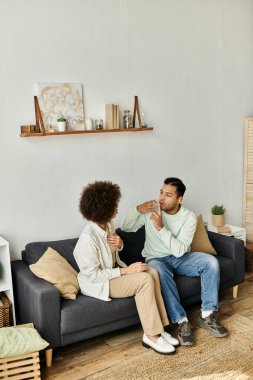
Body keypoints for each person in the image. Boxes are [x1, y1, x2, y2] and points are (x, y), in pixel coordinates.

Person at [73, 180, 179, 355]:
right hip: (99, 283)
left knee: (151, 271)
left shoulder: (108, 225)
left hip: (113, 273)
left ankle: (159, 329)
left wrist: (120, 244)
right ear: (103, 208)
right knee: (144, 280)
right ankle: (151, 336)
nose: (117, 207)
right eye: (114, 204)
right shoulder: (88, 239)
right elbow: (93, 275)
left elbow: (112, 254)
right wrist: (126, 271)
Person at [121, 177, 228, 346]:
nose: (162, 198)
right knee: (160, 272)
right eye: (161, 192)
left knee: (211, 263)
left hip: (181, 258)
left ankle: (207, 315)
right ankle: (182, 321)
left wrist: (161, 228)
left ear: (179, 199)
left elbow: (179, 251)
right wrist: (138, 210)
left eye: (168, 195)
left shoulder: (188, 217)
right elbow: (126, 227)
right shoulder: (151, 212)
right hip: (156, 259)